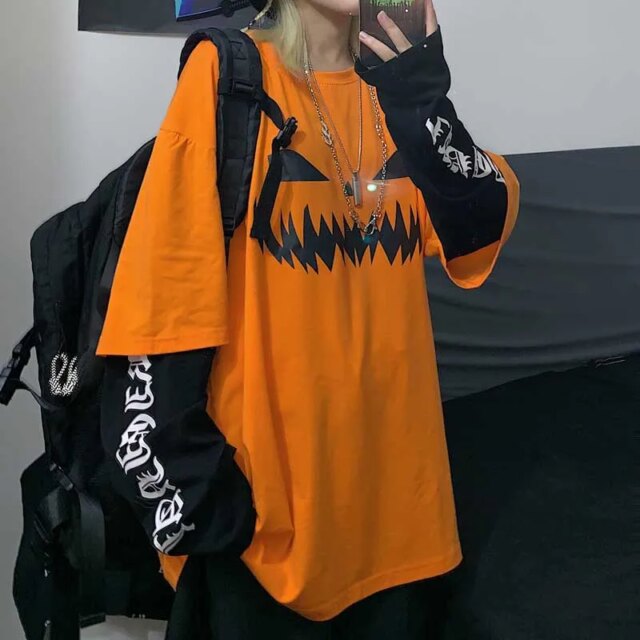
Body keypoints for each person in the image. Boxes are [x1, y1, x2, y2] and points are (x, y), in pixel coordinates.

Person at [97, 0, 520, 637]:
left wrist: (423, 101)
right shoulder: (229, 75)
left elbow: (481, 224)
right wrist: (196, 493)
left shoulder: (397, 87)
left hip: (403, 516)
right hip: (267, 527)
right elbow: (164, 296)